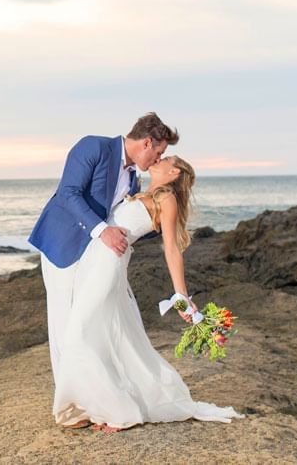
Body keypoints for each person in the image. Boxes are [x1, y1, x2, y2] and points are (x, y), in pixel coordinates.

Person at [52, 155, 244, 432]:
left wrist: (182, 295)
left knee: (81, 332)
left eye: (166, 158)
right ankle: (102, 407)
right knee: (104, 335)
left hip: (108, 266)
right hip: (92, 264)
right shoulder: (140, 191)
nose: (159, 158)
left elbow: (172, 248)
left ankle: (120, 412)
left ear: (174, 171)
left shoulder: (166, 199)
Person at [28, 113, 176, 387]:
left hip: (93, 257)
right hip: (62, 244)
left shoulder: (133, 180)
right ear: (146, 142)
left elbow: (118, 222)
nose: (158, 159)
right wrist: (102, 231)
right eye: (159, 152)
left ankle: (87, 391)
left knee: (85, 323)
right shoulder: (93, 147)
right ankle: (70, 400)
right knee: (63, 320)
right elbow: (68, 193)